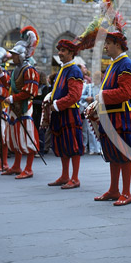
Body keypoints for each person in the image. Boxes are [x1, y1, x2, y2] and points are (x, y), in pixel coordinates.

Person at [87, 31, 131, 206]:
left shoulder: (127, 65)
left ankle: (126, 192)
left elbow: (125, 93)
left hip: (120, 115)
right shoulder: (113, 64)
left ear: (118, 44)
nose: (105, 46)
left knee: (123, 154)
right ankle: (114, 189)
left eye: (108, 43)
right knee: (112, 153)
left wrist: (101, 96)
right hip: (110, 115)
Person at [0, 27, 40, 179]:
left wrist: (13, 98)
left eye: (15, 55)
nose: (13, 57)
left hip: (24, 107)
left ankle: (28, 168)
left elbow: (30, 91)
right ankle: (16, 166)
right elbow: (11, 85)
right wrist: (1, 75)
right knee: (15, 136)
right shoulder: (16, 69)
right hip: (13, 108)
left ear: (22, 55)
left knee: (26, 136)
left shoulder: (28, 70)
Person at [45, 39, 84, 189]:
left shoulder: (74, 70)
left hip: (69, 112)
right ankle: (65, 175)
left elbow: (75, 95)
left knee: (72, 145)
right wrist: (50, 98)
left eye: (63, 51)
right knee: (62, 144)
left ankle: (75, 178)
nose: (59, 53)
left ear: (71, 53)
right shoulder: (63, 69)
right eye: (59, 50)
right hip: (60, 112)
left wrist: (57, 104)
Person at [79, 71, 102, 155]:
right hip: (90, 109)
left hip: (100, 110)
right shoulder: (89, 87)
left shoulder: (102, 87)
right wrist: (87, 98)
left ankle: (99, 148)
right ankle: (92, 149)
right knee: (91, 129)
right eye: (95, 78)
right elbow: (81, 96)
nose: (96, 80)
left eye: (97, 78)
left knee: (99, 129)